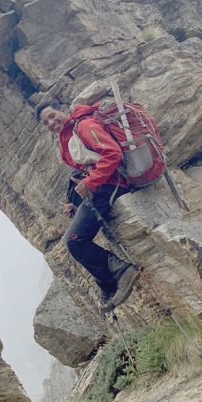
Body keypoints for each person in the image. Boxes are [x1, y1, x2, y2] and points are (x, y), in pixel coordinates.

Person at [35, 98, 138, 313]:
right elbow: (88, 164)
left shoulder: (83, 125)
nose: (51, 123)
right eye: (46, 123)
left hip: (111, 184)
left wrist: (90, 183)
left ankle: (120, 271)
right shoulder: (68, 135)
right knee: (73, 188)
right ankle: (107, 285)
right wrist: (76, 202)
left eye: (52, 116)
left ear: (63, 110)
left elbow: (112, 154)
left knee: (74, 242)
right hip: (104, 183)